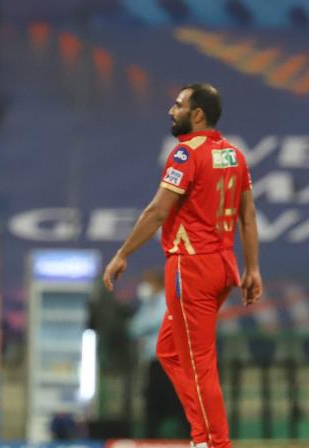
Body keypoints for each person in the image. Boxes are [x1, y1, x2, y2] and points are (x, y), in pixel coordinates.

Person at [103, 83, 262, 448]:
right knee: (170, 351)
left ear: (198, 114)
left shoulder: (184, 154)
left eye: (178, 105)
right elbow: (248, 216)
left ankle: (212, 443)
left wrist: (123, 253)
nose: (171, 111)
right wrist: (252, 269)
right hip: (223, 265)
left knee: (198, 362)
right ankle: (203, 435)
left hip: (191, 268)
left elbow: (158, 211)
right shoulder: (235, 155)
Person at [129, 269, 188, 438]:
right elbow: (132, 328)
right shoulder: (148, 304)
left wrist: (144, 332)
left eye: (148, 282)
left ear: (158, 283)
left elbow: (157, 321)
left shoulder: (167, 300)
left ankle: (188, 439)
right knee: (153, 405)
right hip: (154, 363)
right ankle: (151, 441)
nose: (144, 286)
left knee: (176, 402)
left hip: (170, 363)